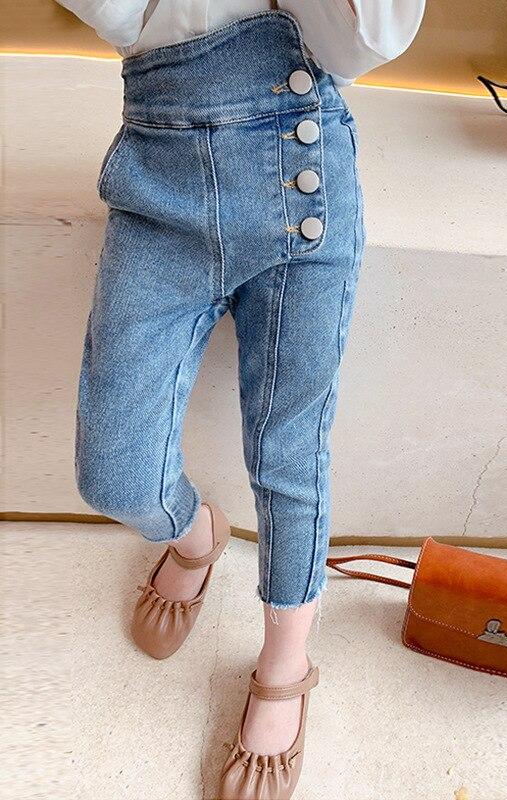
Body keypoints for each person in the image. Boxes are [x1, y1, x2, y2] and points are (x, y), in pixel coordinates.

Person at [56, 1, 425, 797]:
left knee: (290, 451)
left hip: (301, 175)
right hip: (158, 177)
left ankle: (285, 666)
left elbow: (365, 41)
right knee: (113, 475)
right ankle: (197, 535)